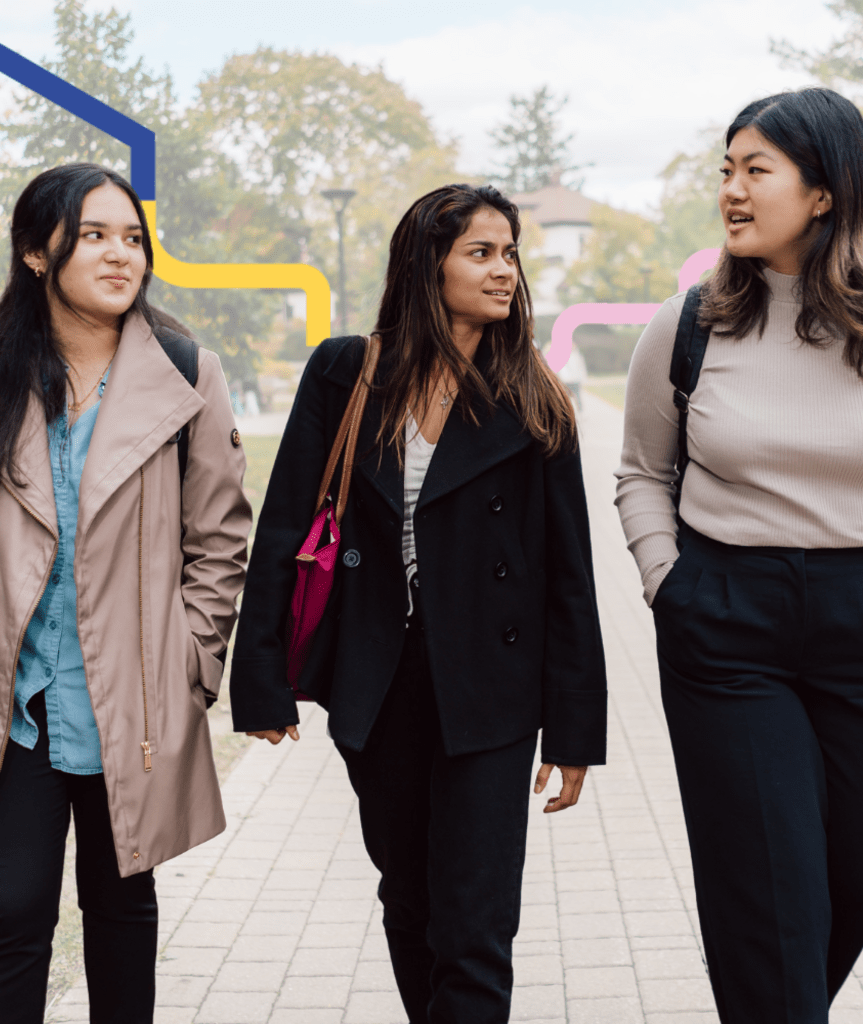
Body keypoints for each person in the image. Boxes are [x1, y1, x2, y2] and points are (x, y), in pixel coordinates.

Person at [230, 183, 607, 1024]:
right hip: (379, 679)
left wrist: (576, 728)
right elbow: (288, 519)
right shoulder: (346, 372)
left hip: (493, 690)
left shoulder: (536, 400)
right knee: (409, 903)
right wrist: (260, 676)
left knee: (475, 927)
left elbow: (567, 576)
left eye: (510, 253)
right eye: (481, 252)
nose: (504, 270)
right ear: (425, 265)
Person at [615, 87, 863, 1022]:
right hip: (728, 623)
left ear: (823, 191)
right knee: (767, 892)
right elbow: (641, 472)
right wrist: (667, 583)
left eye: (755, 169)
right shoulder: (687, 325)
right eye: (726, 168)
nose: (731, 188)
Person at [0, 163, 251, 1024]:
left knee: (121, 917)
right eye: (95, 235)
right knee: (6, 917)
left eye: (133, 238)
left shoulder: (187, 371)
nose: (121, 256)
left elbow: (218, 540)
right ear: (37, 253)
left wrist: (193, 662)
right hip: (13, 713)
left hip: (133, 707)